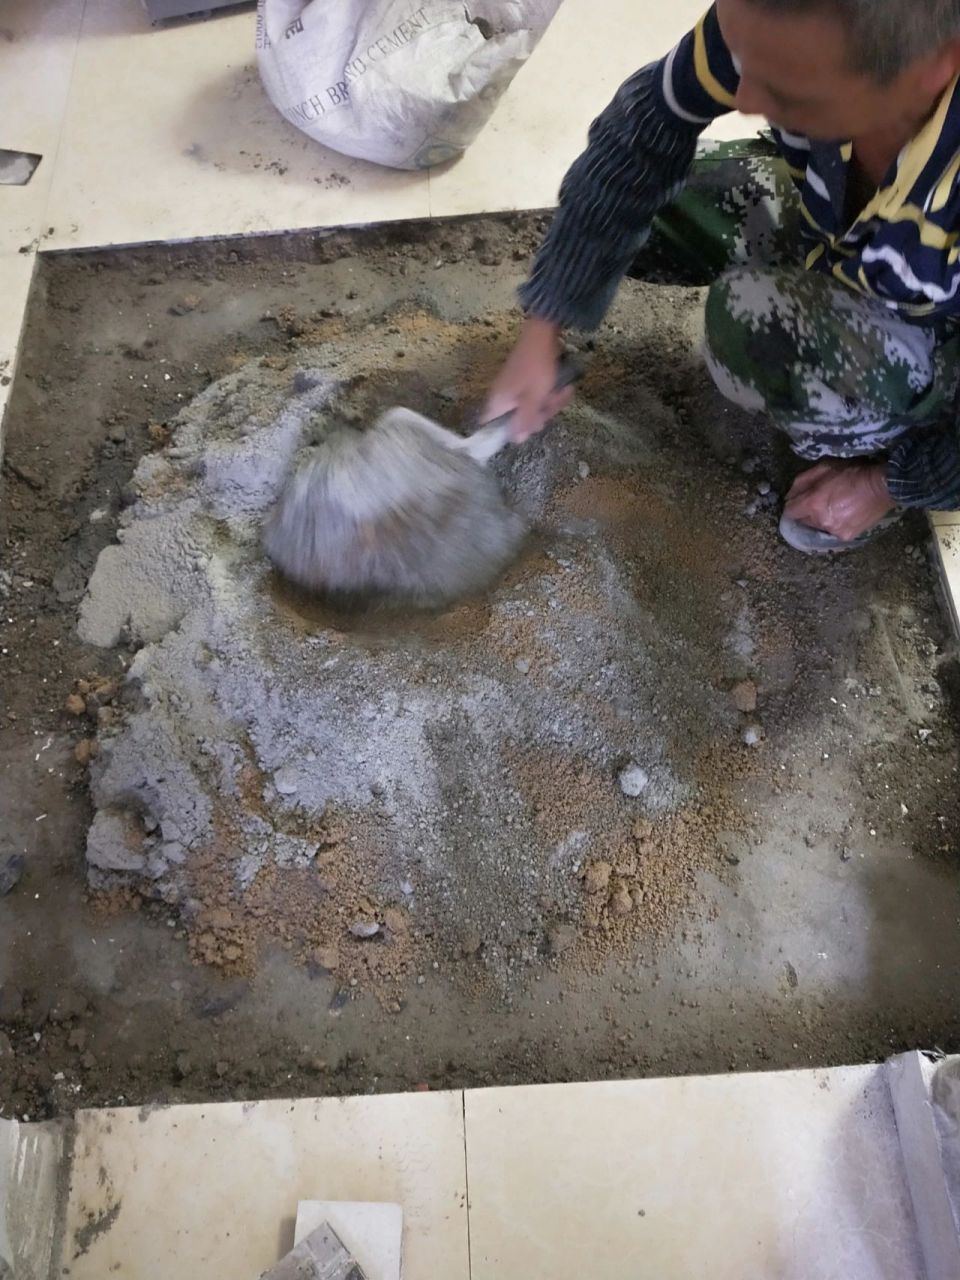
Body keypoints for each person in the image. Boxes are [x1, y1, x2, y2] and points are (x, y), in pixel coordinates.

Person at [484, 0, 960, 552]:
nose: (747, 100)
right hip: (832, 223)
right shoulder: (787, 22)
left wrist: (886, 484)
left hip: (937, 325)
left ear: (928, 70)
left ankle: (885, 433)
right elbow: (649, 122)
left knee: (748, 324)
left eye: (785, 82)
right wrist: (545, 322)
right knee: (639, 207)